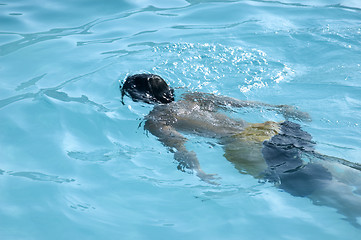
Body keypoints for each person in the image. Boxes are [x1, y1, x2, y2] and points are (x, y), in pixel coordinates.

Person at [121, 73, 361, 227]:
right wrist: (282, 108)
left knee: (328, 192)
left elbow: (179, 147)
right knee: (335, 168)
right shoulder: (195, 97)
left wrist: (198, 171)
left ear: (139, 98)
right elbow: (243, 104)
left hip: (245, 146)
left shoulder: (158, 119)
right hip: (270, 128)